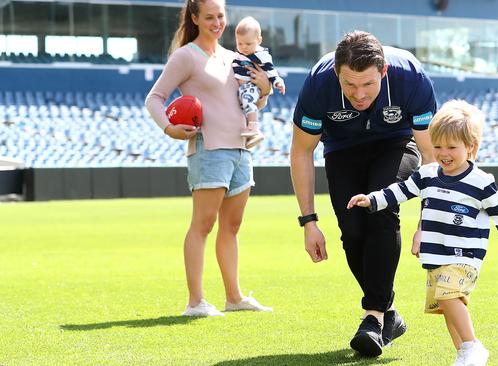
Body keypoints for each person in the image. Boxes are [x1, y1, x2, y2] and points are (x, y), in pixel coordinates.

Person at [347, 99, 498, 366]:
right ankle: (464, 354)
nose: (444, 152)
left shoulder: (481, 182)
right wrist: (372, 199)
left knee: (449, 296)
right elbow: (399, 191)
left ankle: (473, 346)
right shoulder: (428, 174)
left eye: (452, 147)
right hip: (435, 255)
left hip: (464, 255)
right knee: (447, 307)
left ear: (471, 147)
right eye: (438, 145)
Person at [290, 30, 437, 357]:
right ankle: (389, 315)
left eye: (368, 84)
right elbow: (301, 152)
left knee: (380, 206)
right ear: (335, 74)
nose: (359, 94)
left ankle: (373, 317)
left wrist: (427, 221)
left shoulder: (411, 77)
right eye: (350, 85)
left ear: (383, 72)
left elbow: (431, 155)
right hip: (342, 150)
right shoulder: (318, 84)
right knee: (353, 229)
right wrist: (309, 222)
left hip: (397, 143)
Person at [145, 0, 272, 317]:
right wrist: (169, 128)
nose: (217, 22)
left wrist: (265, 90)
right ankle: (195, 302)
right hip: (209, 149)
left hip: (242, 150)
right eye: (210, 17)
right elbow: (155, 98)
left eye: (221, 16)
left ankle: (234, 297)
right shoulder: (185, 56)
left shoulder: (234, 57)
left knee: (232, 227)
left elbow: (247, 103)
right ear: (195, 18)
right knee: (202, 225)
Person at [232, 16, 285, 149]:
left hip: (252, 86)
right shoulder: (237, 54)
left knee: (247, 98)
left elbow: (271, 70)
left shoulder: (261, 56)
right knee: (242, 104)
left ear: (258, 40)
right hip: (242, 87)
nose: (243, 47)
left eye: (248, 44)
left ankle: (254, 127)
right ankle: (251, 135)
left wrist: (277, 81)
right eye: (240, 43)